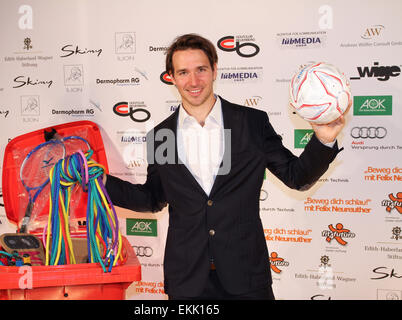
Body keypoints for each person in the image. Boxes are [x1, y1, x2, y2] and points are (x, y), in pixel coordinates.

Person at [103, 33, 348, 300]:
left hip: (246, 277)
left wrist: (324, 140)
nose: (193, 81)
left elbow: (296, 176)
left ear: (215, 70)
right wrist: (99, 182)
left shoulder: (251, 123)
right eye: (183, 72)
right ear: (171, 77)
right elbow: (151, 198)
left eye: (201, 70)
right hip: (187, 280)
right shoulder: (162, 135)